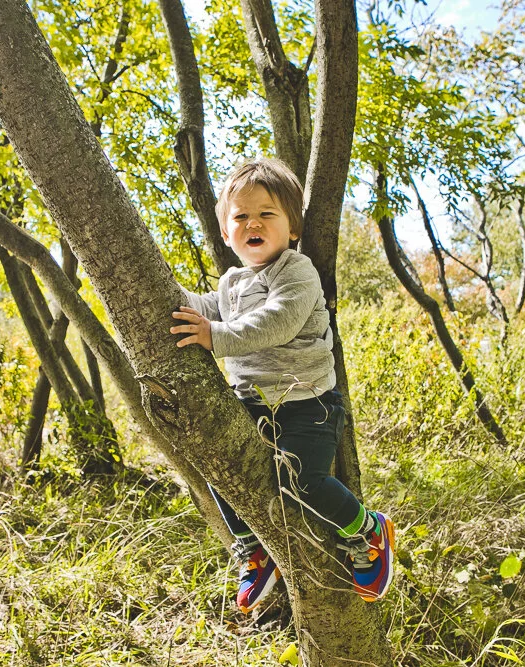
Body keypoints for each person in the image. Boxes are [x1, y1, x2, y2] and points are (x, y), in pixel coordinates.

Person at [169, 158, 396, 613]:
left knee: (304, 482)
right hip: (252, 403)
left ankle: (367, 530)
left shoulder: (297, 271)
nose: (253, 223)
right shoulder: (233, 282)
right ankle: (252, 546)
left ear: (292, 228)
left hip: (306, 403)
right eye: (240, 217)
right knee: (218, 464)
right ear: (227, 233)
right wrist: (162, 290)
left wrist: (216, 336)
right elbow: (205, 306)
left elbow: (278, 322)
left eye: (267, 214)